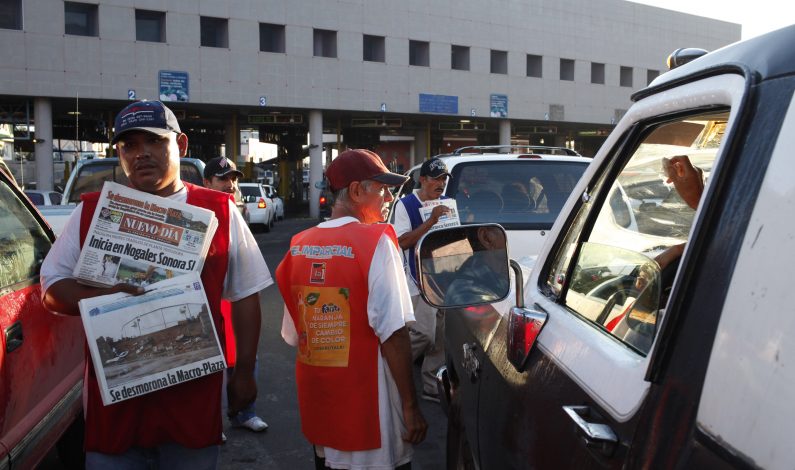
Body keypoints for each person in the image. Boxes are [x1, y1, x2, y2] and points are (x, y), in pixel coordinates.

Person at [40, 100, 272, 469]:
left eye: (152, 141)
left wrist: (243, 371)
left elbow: (245, 295)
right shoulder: (91, 210)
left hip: (191, 404)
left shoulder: (219, 211)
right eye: (129, 145)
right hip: (114, 410)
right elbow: (52, 289)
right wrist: (108, 297)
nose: (141, 153)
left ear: (180, 145)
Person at [276, 149, 427, 470]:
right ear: (357, 191)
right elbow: (395, 334)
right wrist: (411, 406)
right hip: (371, 419)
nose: (388, 197)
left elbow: (293, 335)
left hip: (322, 414)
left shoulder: (299, 245)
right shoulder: (376, 242)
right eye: (381, 188)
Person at [203, 156, 268, 433]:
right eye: (223, 179)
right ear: (207, 182)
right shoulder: (198, 212)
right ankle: (213, 421)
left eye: (233, 178)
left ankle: (245, 413)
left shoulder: (233, 211)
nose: (230, 185)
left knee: (243, 355)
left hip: (235, 299)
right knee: (211, 362)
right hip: (209, 302)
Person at [391, 157, 452, 402]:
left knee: (440, 337)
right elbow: (401, 241)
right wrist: (431, 221)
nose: (441, 183)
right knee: (424, 334)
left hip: (443, 276)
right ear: (423, 180)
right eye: (436, 178)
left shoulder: (448, 203)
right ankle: (391, 368)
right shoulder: (406, 205)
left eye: (444, 179)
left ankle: (430, 385)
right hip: (417, 279)